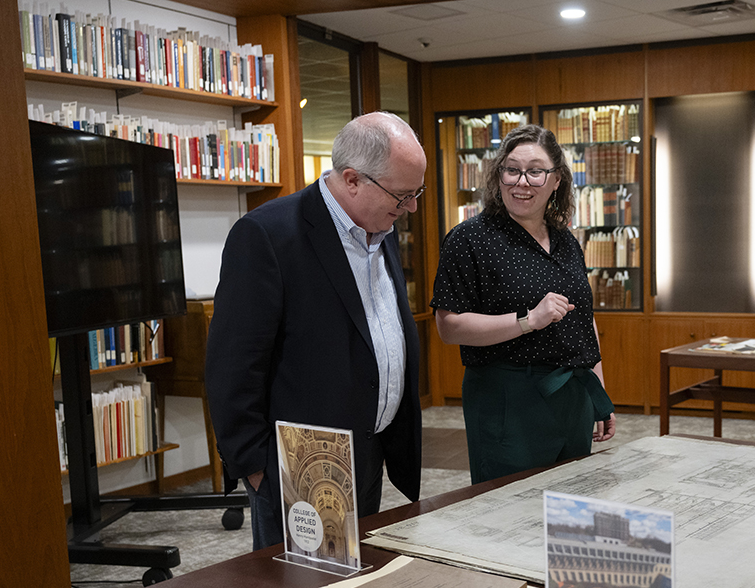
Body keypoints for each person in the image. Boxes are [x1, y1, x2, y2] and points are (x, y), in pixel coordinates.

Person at [205, 112, 426, 550]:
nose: (412, 208)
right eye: (403, 195)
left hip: (368, 452)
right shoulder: (267, 235)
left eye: (416, 193)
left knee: (356, 585)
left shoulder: (381, 226)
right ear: (352, 180)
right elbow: (233, 366)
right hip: (300, 464)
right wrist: (258, 466)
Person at [431, 123, 616, 484]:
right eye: (512, 170)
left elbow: (583, 320)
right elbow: (448, 326)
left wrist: (598, 388)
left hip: (573, 395)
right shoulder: (470, 239)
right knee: (508, 514)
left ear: (557, 180)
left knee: (570, 510)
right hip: (508, 400)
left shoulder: (567, 241)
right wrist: (528, 320)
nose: (522, 182)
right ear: (499, 176)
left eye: (535, 172)